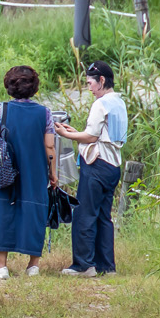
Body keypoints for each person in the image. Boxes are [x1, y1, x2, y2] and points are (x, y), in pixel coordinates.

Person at [53, 61, 129, 277]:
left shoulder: (101, 104)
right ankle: (107, 266)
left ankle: (84, 265)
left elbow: (92, 137)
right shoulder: (119, 102)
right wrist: (78, 132)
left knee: (84, 214)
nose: (88, 88)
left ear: (101, 80)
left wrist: (67, 134)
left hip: (96, 165)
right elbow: (100, 135)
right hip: (113, 165)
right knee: (104, 216)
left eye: (90, 83)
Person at [0, 65, 57, 279]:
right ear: (34, 88)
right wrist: (52, 173)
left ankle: (1, 266)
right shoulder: (44, 113)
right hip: (35, 170)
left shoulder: (0, 110)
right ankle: (33, 265)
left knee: (2, 211)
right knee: (35, 211)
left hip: (6, 170)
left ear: (9, 87)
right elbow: (49, 147)